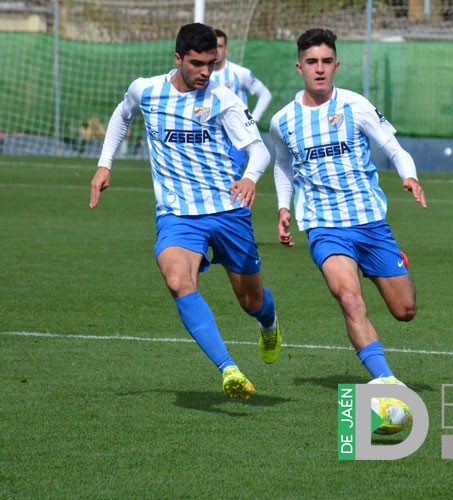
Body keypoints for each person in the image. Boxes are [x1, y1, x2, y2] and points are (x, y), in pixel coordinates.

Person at [89, 23, 282, 400]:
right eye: (196, 64)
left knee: (251, 301)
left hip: (229, 210)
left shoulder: (223, 99)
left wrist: (250, 178)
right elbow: (121, 115)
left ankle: (269, 322)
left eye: (211, 63)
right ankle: (229, 369)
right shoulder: (146, 90)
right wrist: (104, 163)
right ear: (177, 59)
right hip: (177, 215)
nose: (205, 72)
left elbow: (259, 150)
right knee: (178, 280)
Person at [270, 28, 426, 388]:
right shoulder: (283, 121)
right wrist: (283, 207)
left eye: (326, 61)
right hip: (324, 227)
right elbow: (282, 165)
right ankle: (385, 382)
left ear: (336, 65)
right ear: (300, 67)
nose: (319, 69)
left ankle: (392, 262)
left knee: (405, 311)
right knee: (349, 297)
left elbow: (393, 147)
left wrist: (410, 175)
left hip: (370, 223)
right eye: (312, 62)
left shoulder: (355, 106)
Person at [210, 28, 272, 169]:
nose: (216, 51)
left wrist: (253, 119)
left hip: (237, 137)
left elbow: (265, 94)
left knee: (231, 177)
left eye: (219, 46)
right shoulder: (202, 77)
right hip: (212, 137)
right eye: (213, 47)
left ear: (226, 49)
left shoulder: (240, 73)